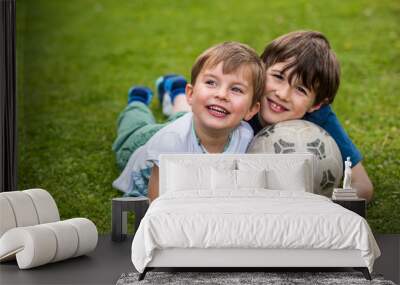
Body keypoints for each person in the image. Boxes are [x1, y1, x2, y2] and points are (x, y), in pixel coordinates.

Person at [112, 42, 264, 201]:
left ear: (252, 110)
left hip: (189, 121)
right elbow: (156, 200)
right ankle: (137, 102)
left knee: (184, 116)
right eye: (211, 82)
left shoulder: (245, 135)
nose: (221, 94)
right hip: (139, 144)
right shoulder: (170, 143)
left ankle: (174, 90)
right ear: (190, 94)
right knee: (135, 126)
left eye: (236, 89)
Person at [248, 30, 373, 202]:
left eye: (300, 89)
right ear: (261, 70)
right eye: (278, 77)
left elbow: (363, 186)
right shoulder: (241, 101)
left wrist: (321, 206)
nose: (283, 94)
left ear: (316, 104)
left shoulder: (321, 119)